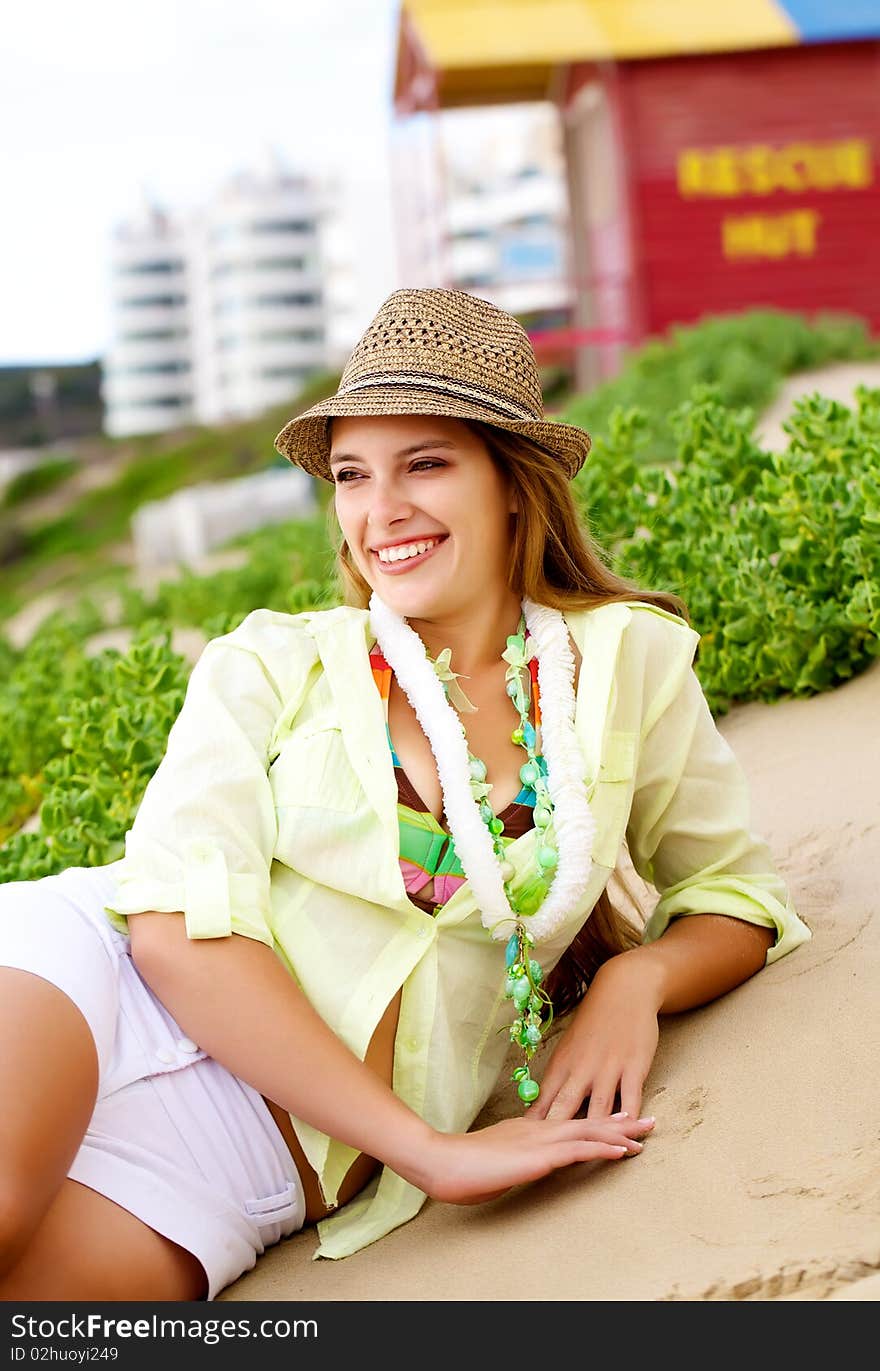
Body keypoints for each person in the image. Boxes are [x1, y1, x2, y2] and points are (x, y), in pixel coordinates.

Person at [0, 288, 811, 1302]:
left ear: (511, 481)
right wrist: (426, 1150)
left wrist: (630, 984)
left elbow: (735, 894)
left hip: (255, 1157)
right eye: (351, 475)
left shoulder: (624, 663)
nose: (381, 511)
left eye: (424, 463)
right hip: (99, 981)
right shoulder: (268, 662)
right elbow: (173, 932)